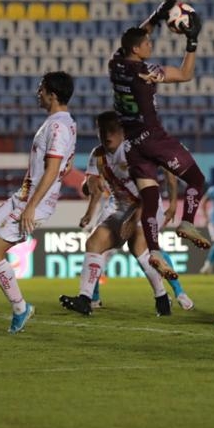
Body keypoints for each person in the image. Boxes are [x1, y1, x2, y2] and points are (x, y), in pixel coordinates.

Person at [0, 71, 77, 333]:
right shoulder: (57, 123)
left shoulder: (58, 127)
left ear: (52, 95)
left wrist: (31, 207)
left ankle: (21, 308)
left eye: (41, 89)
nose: (38, 93)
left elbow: (53, 170)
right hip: (21, 197)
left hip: (33, 203)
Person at [109, 0, 210, 280]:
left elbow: (136, 37)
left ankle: (154, 250)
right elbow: (186, 74)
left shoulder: (114, 64)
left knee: (151, 200)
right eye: (148, 44)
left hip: (132, 144)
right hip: (153, 137)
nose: (151, 45)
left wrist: (155, 16)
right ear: (137, 49)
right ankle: (187, 223)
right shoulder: (147, 73)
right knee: (196, 179)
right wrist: (192, 41)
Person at [60, 111, 194, 316]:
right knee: (93, 243)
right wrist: (89, 203)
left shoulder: (134, 152)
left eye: (112, 131)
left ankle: (162, 297)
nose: (107, 136)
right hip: (118, 206)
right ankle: (85, 299)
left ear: (122, 132)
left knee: (137, 246)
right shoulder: (97, 155)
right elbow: (93, 188)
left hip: (147, 204)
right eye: (102, 131)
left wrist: (139, 217)